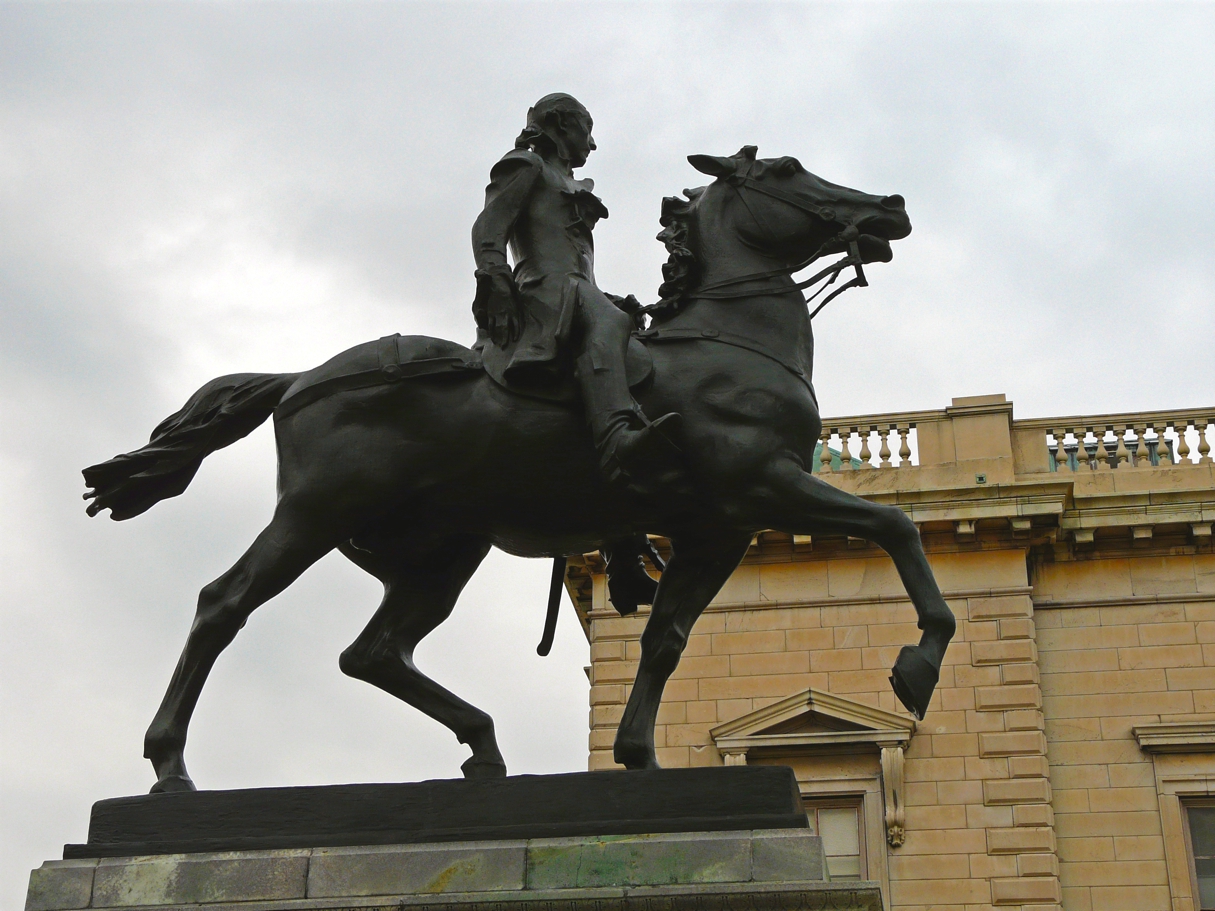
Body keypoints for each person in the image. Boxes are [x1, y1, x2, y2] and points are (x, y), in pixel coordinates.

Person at [471, 93, 681, 491]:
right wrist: (495, 279)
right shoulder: (527, 165)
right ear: (562, 124)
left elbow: (575, 261)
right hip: (544, 290)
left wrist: (607, 297)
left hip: (576, 290)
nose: (593, 143)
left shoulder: (564, 180)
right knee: (611, 321)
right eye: (588, 129)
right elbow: (488, 227)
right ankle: (616, 440)